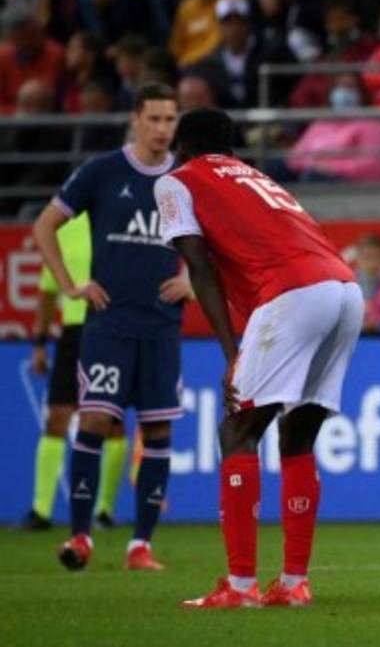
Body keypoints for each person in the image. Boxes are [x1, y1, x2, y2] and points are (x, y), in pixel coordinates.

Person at [155, 107, 362, 608]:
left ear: (180, 146)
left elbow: (198, 264)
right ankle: (294, 584)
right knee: (298, 433)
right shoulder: (254, 176)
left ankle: (241, 586)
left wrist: (233, 351)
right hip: (344, 290)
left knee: (238, 429)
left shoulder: (176, 181)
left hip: (292, 293)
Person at [32, 82, 191, 572]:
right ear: (136, 120)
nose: (163, 129)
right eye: (155, 119)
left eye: (171, 120)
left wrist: (190, 279)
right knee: (96, 420)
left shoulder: (188, 180)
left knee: (158, 428)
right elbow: (43, 226)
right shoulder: (102, 172)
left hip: (162, 327)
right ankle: (80, 536)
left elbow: (216, 243)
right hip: (109, 325)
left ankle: (140, 545)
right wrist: (70, 285)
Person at [21, 213, 128, 532]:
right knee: (57, 418)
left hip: (110, 328)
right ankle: (41, 511)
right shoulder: (63, 228)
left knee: (112, 423)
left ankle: (104, 511)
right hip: (72, 333)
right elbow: (47, 291)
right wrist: (39, 343)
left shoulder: (118, 222)